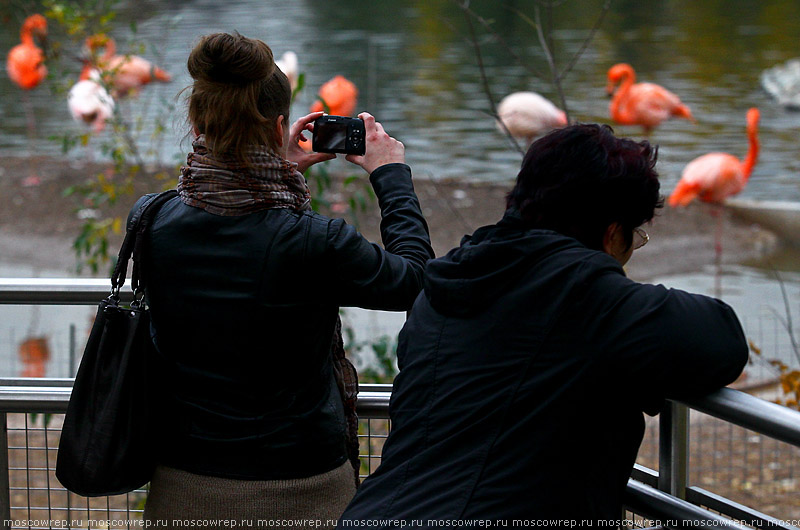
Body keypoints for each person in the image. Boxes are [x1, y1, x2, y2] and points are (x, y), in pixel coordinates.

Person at [338, 124, 748, 524]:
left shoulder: (442, 288)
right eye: (634, 238)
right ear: (610, 235)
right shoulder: (591, 301)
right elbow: (723, 340)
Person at [134, 32, 434, 525]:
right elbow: (415, 280)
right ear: (280, 126)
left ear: (195, 123)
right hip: (302, 488)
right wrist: (391, 175)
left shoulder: (152, 219)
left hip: (182, 483)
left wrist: (276, 166)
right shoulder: (314, 240)